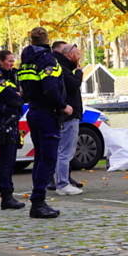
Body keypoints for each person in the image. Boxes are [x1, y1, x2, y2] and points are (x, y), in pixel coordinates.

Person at [17, 26, 72, 219]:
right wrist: (63, 105)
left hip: (33, 111)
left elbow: (24, 87)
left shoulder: (25, 62)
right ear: (47, 40)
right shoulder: (47, 60)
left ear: (31, 41)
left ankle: (38, 200)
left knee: (40, 158)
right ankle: (38, 202)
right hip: (47, 113)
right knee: (48, 158)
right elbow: (50, 86)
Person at [0, 49, 25, 211]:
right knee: (6, 162)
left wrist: (19, 94)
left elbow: (21, 96)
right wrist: (18, 95)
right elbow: (15, 99)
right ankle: (6, 197)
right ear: (0, 61)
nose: (12, 63)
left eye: (13, 60)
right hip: (3, 123)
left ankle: (8, 196)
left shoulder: (10, 75)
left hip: (11, 122)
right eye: (9, 61)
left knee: (10, 161)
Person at [53, 43, 84, 195]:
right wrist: (79, 72)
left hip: (68, 114)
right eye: (77, 54)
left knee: (62, 151)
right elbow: (73, 85)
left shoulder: (62, 68)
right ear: (70, 55)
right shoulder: (64, 70)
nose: (79, 57)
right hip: (69, 114)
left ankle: (61, 181)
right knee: (66, 151)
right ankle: (62, 183)